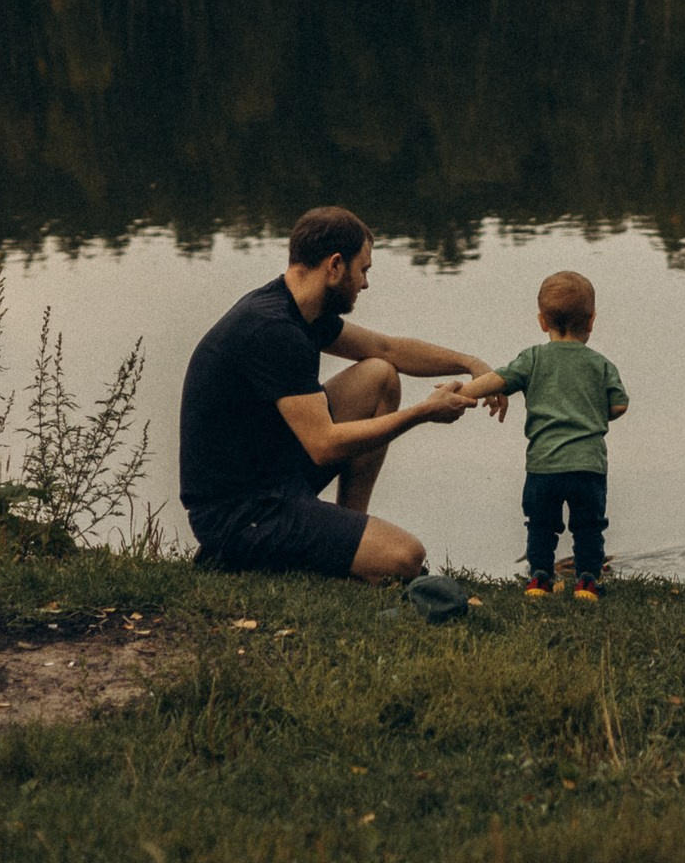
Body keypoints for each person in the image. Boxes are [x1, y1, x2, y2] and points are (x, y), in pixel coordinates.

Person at [179, 206, 502, 582]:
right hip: (241, 513)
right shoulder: (274, 330)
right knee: (405, 559)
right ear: (335, 266)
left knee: (379, 376)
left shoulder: (298, 308)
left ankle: (349, 534)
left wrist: (471, 363)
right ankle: (248, 555)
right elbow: (324, 445)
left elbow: (386, 349)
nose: (365, 283)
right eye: (363, 270)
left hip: (273, 474)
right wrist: (423, 412)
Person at [454, 270, 630, 602]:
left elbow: (498, 380)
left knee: (541, 526)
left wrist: (463, 391)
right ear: (591, 321)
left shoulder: (533, 359)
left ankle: (539, 579)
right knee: (588, 528)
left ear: (541, 320)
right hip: (588, 467)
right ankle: (588, 583)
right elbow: (619, 405)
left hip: (543, 466)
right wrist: (594, 413)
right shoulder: (601, 365)